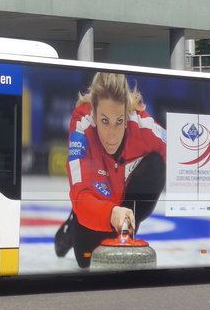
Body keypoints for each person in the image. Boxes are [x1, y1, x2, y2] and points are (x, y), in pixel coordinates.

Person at [54, 72, 166, 268]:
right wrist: (110, 213)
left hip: (123, 199)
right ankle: (73, 225)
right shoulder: (81, 126)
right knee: (87, 261)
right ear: (94, 113)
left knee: (156, 165)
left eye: (119, 121)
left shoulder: (142, 125)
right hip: (96, 201)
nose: (112, 136)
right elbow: (80, 194)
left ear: (127, 114)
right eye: (105, 121)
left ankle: (126, 229)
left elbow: (185, 159)